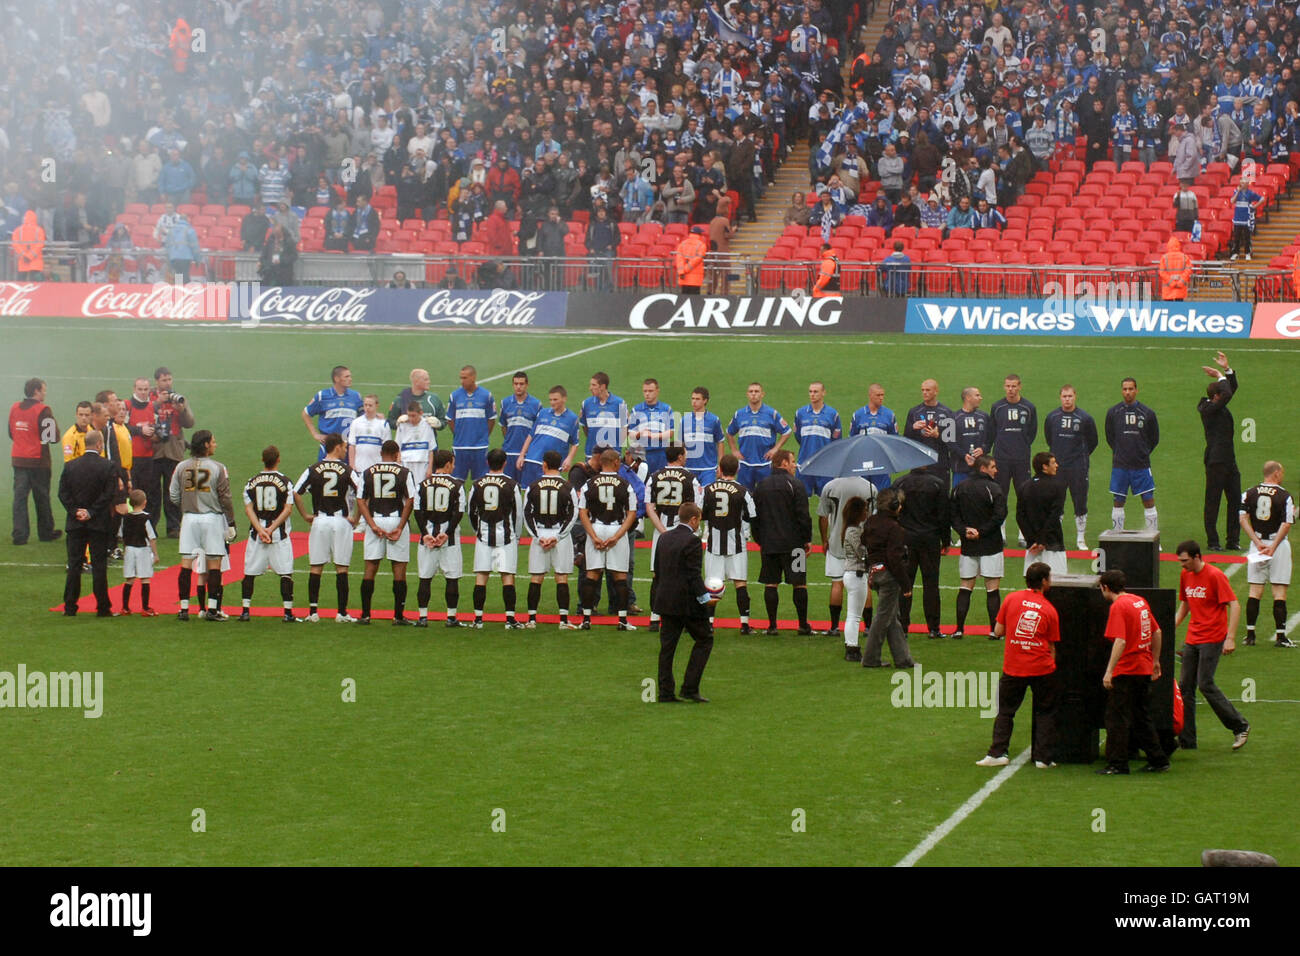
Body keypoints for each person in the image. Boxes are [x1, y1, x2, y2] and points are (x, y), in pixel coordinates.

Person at [976, 562, 1061, 768]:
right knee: (1045, 712)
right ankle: (1043, 758)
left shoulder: (1011, 599)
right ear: (1043, 581)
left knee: (1005, 711)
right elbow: (1051, 646)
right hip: (1041, 667)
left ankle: (997, 753)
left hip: (1014, 667)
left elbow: (998, 631)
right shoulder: (1049, 609)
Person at [1173, 541, 1249, 751]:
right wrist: (1170, 627)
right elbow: (1185, 605)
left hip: (1213, 636)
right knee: (1185, 686)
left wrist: (1230, 637)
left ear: (1197, 557)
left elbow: (1234, 604)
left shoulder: (1215, 576)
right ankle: (1187, 740)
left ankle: (1239, 725)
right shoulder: (1185, 576)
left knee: (1205, 683)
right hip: (1193, 637)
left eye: (1185, 561)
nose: (1182, 565)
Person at [1097, 569, 1170, 775]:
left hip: (1127, 668)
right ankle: (1158, 759)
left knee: (1116, 717)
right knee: (1141, 716)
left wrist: (1109, 671)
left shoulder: (1118, 606)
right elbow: (1157, 631)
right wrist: (1155, 660)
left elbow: (1120, 640)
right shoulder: (1139, 601)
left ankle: (1118, 763)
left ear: (1106, 587)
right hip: (1143, 666)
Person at [170, 430, 237, 622]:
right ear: (206, 445)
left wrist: (186, 505)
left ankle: (183, 609)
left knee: (186, 564)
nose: (215, 444)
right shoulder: (218, 468)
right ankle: (213, 610)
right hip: (212, 519)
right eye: (213, 441)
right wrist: (231, 521)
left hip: (189, 518)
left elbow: (173, 495)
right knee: (214, 563)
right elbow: (226, 497)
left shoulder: (181, 467)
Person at [294, 434, 361, 623]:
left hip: (320, 520)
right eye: (344, 446)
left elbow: (296, 493)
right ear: (337, 447)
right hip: (341, 522)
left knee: (316, 566)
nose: (346, 449)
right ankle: (341, 613)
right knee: (342, 567)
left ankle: (313, 612)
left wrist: (306, 515)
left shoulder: (313, 469)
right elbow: (362, 493)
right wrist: (356, 518)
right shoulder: (347, 470)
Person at [653, 502, 715, 703]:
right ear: (694, 519)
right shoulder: (693, 542)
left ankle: (665, 691)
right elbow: (693, 576)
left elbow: (658, 570)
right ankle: (689, 687)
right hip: (687, 603)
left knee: (667, 648)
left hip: (665, 600)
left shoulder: (664, 538)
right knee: (705, 639)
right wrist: (706, 600)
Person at [752, 450, 814, 636]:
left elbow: (755, 517)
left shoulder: (761, 486)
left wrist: (760, 539)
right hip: (795, 545)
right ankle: (803, 624)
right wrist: (807, 539)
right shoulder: (796, 485)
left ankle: (772, 626)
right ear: (784, 463)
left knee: (771, 583)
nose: (795, 465)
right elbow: (804, 516)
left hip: (770, 544)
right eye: (793, 461)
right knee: (799, 583)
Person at [58, 431, 120, 616]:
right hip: (98, 523)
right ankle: (103, 608)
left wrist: (75, 511)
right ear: (100, 444)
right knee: (99, 566)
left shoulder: (70, 466)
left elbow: (63, 493)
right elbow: (109, 494)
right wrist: (91, 512)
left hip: (75, 523)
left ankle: (70, 607)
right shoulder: (108, 466)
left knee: (74, 565)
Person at [356, 440, 418, 625]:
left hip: (375, 519)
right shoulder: (405, 472)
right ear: (397, 454)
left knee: (370, 568)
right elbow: (410, 500)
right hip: (395, 518)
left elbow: (360, 500)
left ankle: (365, 615)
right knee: (399, 569)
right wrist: (400, 526)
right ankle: (398, 616)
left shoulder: (368, 472)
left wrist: (371, 524)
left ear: (380, 453)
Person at [644, 446, 703, 633]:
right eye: (685, 454)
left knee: (658, 574)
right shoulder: (690, 478)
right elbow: (696, 508)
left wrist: (662, 531)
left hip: (661, 531)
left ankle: (654, 617)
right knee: (687, 573)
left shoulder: (654, 476)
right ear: (679, 457)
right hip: (684, 531)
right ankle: (686, 615)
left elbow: (649, 507)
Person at [577, 449, 639, 630]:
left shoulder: (590, 483)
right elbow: (632, 513)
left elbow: (582, 511)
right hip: (615, 528)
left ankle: (586, 619)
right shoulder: (624, 484)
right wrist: (617, 536)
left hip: (596, 527)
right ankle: (622, 621)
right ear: (615, 463)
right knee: (620, 575)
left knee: (592, 574)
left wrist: (593, 536)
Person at [858, 488, 918, 669]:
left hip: (874, 572)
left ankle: (903, 658)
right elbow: (895, 559)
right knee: (883, 618)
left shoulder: (871, 522)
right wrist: (906, 584)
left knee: (892, 618)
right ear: (895, 506)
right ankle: (870, 658)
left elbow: (863, 541)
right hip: (888, 576)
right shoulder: (894, 528)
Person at [523, 450, 581, 629]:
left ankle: (531, 620)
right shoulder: (568, 487)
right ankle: (563, 620)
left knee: (536, 577)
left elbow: (527, 514)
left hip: (540, 534)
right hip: (560, 537)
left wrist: (538, 536)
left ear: (544, 465)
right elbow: (573, 514)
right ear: (560, 465)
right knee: (561, 577)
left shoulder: (533, 485)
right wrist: (557, 536)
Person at [239, 445, 297, 623]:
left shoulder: (251, 482)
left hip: (257, 534)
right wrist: (271, 530)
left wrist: (260, 529)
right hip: (278, 535)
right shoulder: (286, 482)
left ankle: (245, 610)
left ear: (263, 460)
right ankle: (287, 612)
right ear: (278, 459)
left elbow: (249, 510)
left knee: (249, 572)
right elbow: (287, 509)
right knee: (285, 572)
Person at [467, 448, 525, 628]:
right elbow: (518, 513)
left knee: (481, 577)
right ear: (505, 463)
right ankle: (509, 619)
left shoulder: (477, 484)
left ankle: (478, 619)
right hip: (506, 536)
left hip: (484, 535)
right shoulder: (511, 484)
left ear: (487, 463)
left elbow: (471, 511)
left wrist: (478, 530)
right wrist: (516, 536)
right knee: (507, 576)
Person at [950, 455, 1006, 640]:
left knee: (965, 586)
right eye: (993, 467)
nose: (996, 470)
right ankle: (993, 631)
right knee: (992, 588)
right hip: (991, 545)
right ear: (983, 468)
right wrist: (981, 532)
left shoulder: (959, 488)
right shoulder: (994, 489)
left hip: (968, 546)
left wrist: (964, 531)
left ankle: (959, 629)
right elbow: (999, 517)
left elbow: (953, 515)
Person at [1240, 461, 1295, 648]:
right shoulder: (1285, 495)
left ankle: (1250, 635)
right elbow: (1286, 524)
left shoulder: (1249, 493)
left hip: (1258, 545)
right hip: (1278, 546)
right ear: (1277, 473)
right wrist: (1274, 546)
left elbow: (1243, 518)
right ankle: (1280, 637)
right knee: (1279, 591)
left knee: (1255, 590)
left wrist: (1257, 542)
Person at [702, 455, 758, 633]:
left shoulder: (708, 489)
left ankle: (709, 623)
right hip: (737, 543)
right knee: (740, 583)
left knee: (712, 584)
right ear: (737, 469)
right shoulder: (743, 491)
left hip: (714, 543)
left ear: (720, 468)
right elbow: (752, 515)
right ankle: (744, 624)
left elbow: (701, 513)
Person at [413, 450, 467, 628]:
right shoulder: (457, 485)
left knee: (425, 578)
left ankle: (422, 617)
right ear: (447, 464)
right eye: (453, 462)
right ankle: (451, 617)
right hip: (448, 540)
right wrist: (447, 533)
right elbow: (459, 512)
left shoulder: (423, 484)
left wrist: (425, 534)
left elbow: (418, 511)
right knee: (452, 578)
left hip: (427, 539)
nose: (454, 466)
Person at [897, 465, 948, 639]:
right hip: (930, 539)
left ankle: (902, 626)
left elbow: (894, 511)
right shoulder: (937, 484)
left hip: (906, 539)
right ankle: (933, 628)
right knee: (931, 584)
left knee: (905, 583)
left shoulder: (900, 483)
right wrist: (946, 540)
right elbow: (943, 515)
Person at [1045, 385, 1098, 551]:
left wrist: (1080, 456)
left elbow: (1093, 441)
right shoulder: (1052, 417)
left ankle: (1081, 538)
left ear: (1075, 396)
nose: (1067, 399)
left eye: (1070, 396)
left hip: (1078, 467)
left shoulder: (1085, 418)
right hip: (1058, 467)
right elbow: (1049, 438)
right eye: (1064, 396)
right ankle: (1057, 536)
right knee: (1056, 503)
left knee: (1080, 501)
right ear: (1060, 397)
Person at [1105, 377, 1160, 533]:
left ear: (1136, 390)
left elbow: (1154, 438)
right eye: (1125, 389)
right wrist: (1119, 451)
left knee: (1148, 499)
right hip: (1120, 465)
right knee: (1118, 500)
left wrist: (1142, 452)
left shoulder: (1147, 413)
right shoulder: (1113, 412)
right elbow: (1110, 437)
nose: (1127, 392)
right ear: (1122, 391)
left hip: (1141, 465)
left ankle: (1153, 536)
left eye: (1130, 389)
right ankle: (1117, 534)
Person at [9, 377, 60, 545]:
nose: (45, 392)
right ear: (37, 391)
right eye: (44, 389)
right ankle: (45, 532)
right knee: (42, 497)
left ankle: (19, 535)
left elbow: (11, 432)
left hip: (18, 459)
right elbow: (52, 437)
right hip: (38, 461)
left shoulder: (15, 408)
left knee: (19, 498)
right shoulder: (43, 410)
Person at [1199, 352, 1240, 551]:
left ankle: (1233, 540)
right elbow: (1229, 393)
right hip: (1216, 461)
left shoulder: (1217, 405)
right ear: (1216, 396)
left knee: (1234, 500)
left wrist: (1226, 370)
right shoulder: (1206, 409)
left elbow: (1231, 390)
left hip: (1229, 460)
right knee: (1212, 502)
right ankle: (1213, 542)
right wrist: (1219, 377)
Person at [149, 368, 195, 539]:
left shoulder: (179, 398)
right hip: (154, 452)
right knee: (152, 493)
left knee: (173, 492)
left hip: (174, 451)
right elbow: (142, 414)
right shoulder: (150, 399)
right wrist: (157, 404)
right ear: (156, 382)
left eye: (169, 379)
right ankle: (151, 526)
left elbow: (190, 423)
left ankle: (173, 527)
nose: (167, 383)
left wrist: (181, 409)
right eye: (163, 380)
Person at [990, 373, 1037, 539]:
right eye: (1008, 386)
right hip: (1001, 459)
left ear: (1020, 386)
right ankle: (1000, 532)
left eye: (1014, 386)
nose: (1011, 389)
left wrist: (1021, 447)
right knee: (1000, 495)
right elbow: (992, 431)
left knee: (1024, 495)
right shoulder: (997, 407)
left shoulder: (1028, 408)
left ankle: (1023, 532)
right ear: (1004, 387)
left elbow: (1032, 433)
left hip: (1021, 459)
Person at [727, 382, 791, 492]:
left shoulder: (772, 413)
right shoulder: (739, 414)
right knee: (744, 495)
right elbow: (729, 432)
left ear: (762, 394)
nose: (753, 394)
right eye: (751, 391)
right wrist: (734, 450)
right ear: (747, 394)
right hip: (745, 464)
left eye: (756, 391)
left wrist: (775, 449)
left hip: (765, 464)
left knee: (767, 495)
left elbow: (787, 431)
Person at [516, 385, 581, 490]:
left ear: (564, 399)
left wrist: (569, 458)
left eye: (555, 399)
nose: (552, 402)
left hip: (552, 465)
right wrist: (522, 455)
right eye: (550, 400)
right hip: (532, 460)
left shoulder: (572, 419)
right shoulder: (542, 413)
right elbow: (531, 435)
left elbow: (575, 443)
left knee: (549, 492)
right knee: (529, 492)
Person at [1018, 453, 1068, 576]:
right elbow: (1054, 515)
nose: (1057, 465)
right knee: (1057, 585)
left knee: (1033, 587)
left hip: (1032, 547)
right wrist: (1042, 541)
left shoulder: (1024, 486)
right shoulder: (1058, 486)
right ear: (1044, 467)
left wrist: (1031, 540)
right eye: (1053, 463)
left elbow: (1020, 516)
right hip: (1052, 543)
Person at [446, 365, 497, 484]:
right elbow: (450, 419)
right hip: (460, 447)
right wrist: (458, 433)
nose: (462, 381)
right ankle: (459, 503)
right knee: (457, 482)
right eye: (461, 378)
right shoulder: (454, 396)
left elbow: (491, 419)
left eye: (465, 378)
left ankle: (477, 503)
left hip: (479, 447)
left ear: (473, 377)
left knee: (480, 482)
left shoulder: (486, 396)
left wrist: (483, 435)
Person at [302, 365, 363, 459]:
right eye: (346, 376)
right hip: (329, 448)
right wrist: (315, 434)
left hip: (348, 447)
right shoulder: (322, 396)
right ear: (337, 378)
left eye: (350, 376)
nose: (350, 379)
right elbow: (306, 413)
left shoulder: (356, 396)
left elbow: (363, 417)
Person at [793, 381, 841, 497]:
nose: (812, 394)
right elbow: (798, 436)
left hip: (825, 465)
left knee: (827, 499)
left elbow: (836, 440)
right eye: (810, 391)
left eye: (815, 392)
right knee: (801, 498)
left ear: (823, 393)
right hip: (805, 463)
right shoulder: (800, 413)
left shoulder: (832, 414)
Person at [905, 379, 955, 487]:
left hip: (940, 463)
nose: (924, 392)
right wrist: (913, 427)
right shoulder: (914, 412)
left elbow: (952, 442)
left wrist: (938, 436)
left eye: (928, 390)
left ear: (936, 391)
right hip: (920, 464)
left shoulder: (947, 413)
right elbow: (906, 439)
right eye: (922, 390)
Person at [849, 383, 898, 491]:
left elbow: (894, 440)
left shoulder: (889, 415)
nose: (881, 398)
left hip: (882, 462)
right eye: (878, 395)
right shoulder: (858, 415)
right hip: (862, 461)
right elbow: (852, 439)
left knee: (882, 494)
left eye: (882, 395)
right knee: (862, 493)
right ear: (870, 395)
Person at [118, 488, 157, 616]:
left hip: (129, 549)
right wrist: (155, 554)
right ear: (144, 502)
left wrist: (125, 549)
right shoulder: (146, 518)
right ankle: (145, 608)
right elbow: (151, 538)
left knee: (129, 579)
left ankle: (125, 607)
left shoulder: (126, 518)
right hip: (143, 549)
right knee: (145, 578)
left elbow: (121, 535)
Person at [498, 372, 541, 483]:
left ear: (527, 385)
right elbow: (503, 426)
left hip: (528, 454)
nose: (518, 387)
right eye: (516, 384)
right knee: (508, 486)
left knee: (527, 487)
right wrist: (509, 439)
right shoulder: (505, 403)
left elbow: (538, 430)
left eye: (521, 384)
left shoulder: (536, 404)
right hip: (509, 452)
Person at [124, 378, 157, 519]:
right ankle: (129, 521)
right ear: (134, 389)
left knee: (147, 492)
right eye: (140, 389)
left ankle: (146, 522)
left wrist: (155, 434)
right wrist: (140, 430)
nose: (143, 392)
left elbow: (155, 426)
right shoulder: (127, 405)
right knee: (131, 492)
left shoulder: (152, 406)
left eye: (146, 389)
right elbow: (122, 427)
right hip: (131, 457)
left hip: (148, 457)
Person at [681, 387, 726, 489]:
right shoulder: (684, 420)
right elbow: (680, 444)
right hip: (689, 468)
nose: (694, 402)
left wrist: (721, 465)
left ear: (705, 400)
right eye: (692, 398)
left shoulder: (714, 420)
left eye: (697, 399)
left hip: (709, 469)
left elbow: (720, 442)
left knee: (707, 498)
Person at [628, 378, 674, 476]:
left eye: (650, 391)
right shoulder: (636, 410)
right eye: (645, 391)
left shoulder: (666, 409)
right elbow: (631, 434)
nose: (647, 394)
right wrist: (640, 434)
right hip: (643, 455)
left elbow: (670, 432)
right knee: (643, 483)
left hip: (661, 454)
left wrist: (653, 436)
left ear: (657, 391)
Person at [949, 387, 993, 487]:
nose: (980, 398)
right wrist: (964, 455)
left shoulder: (984, 417)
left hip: (981, 469)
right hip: (960, 469)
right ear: (968, 397)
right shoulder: (952, 418)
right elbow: (950, 444)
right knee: (959, 499)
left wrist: (983, 449)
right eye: (977, 395)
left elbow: (991, 438)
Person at [385, 368, 446, 435]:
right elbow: (390, 422)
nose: (429, 382)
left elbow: (443, 421)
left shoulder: (434, 399)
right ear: (416, 382)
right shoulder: (401, 399)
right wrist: (398, 422)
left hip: (429, 443)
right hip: (407, 443)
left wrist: (439, 424)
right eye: (426, 379)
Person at [579, 371, 625, 459]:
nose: (590, 388)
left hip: (612, 456)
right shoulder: (586, 404)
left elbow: (625, 428)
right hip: (592, 456)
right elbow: (585, 428)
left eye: (593, 385)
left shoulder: (621, 403)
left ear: (603, 386)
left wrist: (617, 447)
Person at [347, 394, 391, 476]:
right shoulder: (356, 422)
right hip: (359, 468)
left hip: (377, 469)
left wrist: (385, 466)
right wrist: (352, 465)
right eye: (365, 405)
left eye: (370, 405)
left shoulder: (383, 424)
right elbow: (352, 446)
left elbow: (387, 448)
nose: (367, 407)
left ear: (377, 405)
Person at [394, 403, 437, 481]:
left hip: (422, 463)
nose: (411, 419)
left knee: (419, 490)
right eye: (409, 415)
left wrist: (430, 468)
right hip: (406, 462)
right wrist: (398, 465)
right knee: (406, 490)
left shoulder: (427, 425)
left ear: (421, 413)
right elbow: (398, 448)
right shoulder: (402, 425)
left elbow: (431, 450)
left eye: (413, 416)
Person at [1228, 182, 1263, 261]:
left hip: (1246, 219)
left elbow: (1262, 199)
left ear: (1247, 184)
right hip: (1237, 219)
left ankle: (1247, 253)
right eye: (1241, 183)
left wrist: (1254, 207)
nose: (1241, 184)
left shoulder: (1250, 193)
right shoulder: (1236, 192)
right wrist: (1238, 192)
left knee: (1247, 237)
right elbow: (1232, 201)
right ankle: (1235, 253)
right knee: (1237, 237)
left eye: (1243, 183)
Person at [12, 210, 46, 279]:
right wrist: (30, 256)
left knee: (21, 284)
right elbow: (40, 245)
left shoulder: (17, 230)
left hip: (22, 261)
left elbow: (15, 244)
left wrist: (24, 255)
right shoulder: (39, 230)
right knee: (34, 285)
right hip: (36, 262)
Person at [1157, 236, 1192, 301]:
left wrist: (1171, 282)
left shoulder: (1164, 258)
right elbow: (1188, 270)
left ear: (1168, 246)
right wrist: (1180, 282)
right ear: (1178, 246)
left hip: (1168, 289)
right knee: (1179, 309)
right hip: (1180, 289)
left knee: (1168, 309)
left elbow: (1162, 272)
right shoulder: (1185, 257)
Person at [675, 225, 708, 294]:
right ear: (699, 234)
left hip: (683, 277)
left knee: (684, 301)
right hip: (695, 280)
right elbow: (697, 260)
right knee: (695, 302)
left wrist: (681, 271)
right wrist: (686, 269)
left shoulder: (682, 244)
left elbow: (679, 259)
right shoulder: (701, 245)